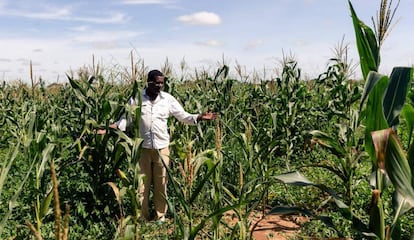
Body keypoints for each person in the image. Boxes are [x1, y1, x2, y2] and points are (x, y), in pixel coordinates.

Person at [99, 69, 217, 222]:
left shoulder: (167, 99)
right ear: (148, 82)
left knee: (161, 183)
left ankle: (160, 216)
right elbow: (125, 121)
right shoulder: (137, 99)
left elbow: (183, 116)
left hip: (162, 148)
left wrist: (199, 117)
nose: (160, 85)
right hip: (143, 149)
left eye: (162, 82)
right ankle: (142, 217)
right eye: (157, 82)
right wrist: (109, 128)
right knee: (142, 185)